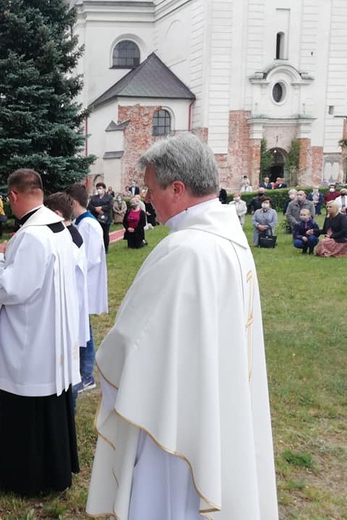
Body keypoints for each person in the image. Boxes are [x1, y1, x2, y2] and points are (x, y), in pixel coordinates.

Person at [86, 133, 278, 520]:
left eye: (152, 189)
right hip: (215, 402)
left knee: (170, 502)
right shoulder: (230, 238)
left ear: (177, 188)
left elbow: (132, 342)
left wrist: (105, 360)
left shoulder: (185, 249)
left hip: (172, 418)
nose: (148, 198)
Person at [0, 168, 80, 496]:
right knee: (49, 408)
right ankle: (55, 469)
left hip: (30, 340)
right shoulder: (58, 227)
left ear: (12, 196)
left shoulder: (31, 235)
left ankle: (27, 477)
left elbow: (10, 289)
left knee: (27, 405)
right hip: (52, 334)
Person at [44, 191, 90, 414]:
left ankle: (66, 412)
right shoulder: (71, 233)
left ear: (56, 213)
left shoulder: (67, 238)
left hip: (67, 307)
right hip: (71, 306)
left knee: (67, 366)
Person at [66, 183, 108, 394]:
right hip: (78, 283)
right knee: (81, 328)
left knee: (85, 330)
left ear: (72, 201)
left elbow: (90, 258)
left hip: (85, 282)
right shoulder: (79, 222)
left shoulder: (89, 225)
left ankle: (86, 374)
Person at [88, 182, 114, 253]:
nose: (99, 190)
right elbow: (90, 206)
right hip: (96, 217)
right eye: (97, 188)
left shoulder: (109, 197)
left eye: (100, 188)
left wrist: (101, 208)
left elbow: (110, 206)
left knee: (105, 233)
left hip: (106, 218)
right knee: (97, 234)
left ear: (104, 189)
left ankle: (105, 249)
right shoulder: (94, 198)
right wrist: (96, 209)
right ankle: (97, 248)